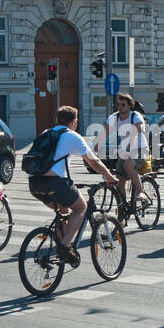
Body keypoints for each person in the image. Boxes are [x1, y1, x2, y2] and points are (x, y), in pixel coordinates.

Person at [27, 105, 118, 268]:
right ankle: (64, 246)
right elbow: (93, 161)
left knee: (63, 210)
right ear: (74, 122)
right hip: (55, 183)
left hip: (34, 184)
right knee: (81, 207)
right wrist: (110, 177)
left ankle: (62, 243)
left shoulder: (46, 133)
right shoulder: (72, 136)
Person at [96, 93, 149, 208]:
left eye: (123, 104)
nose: (120, 107)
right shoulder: (114, 117)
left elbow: (137, 130)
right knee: (119, 181)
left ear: (130, 105)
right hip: (125, 151)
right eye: (118, 105)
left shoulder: (135, 116)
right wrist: (93, 148)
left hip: (140, 149)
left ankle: (141, 191)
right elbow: (104, 133)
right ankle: (123, 209)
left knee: (128, 164)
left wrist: (129, 146)